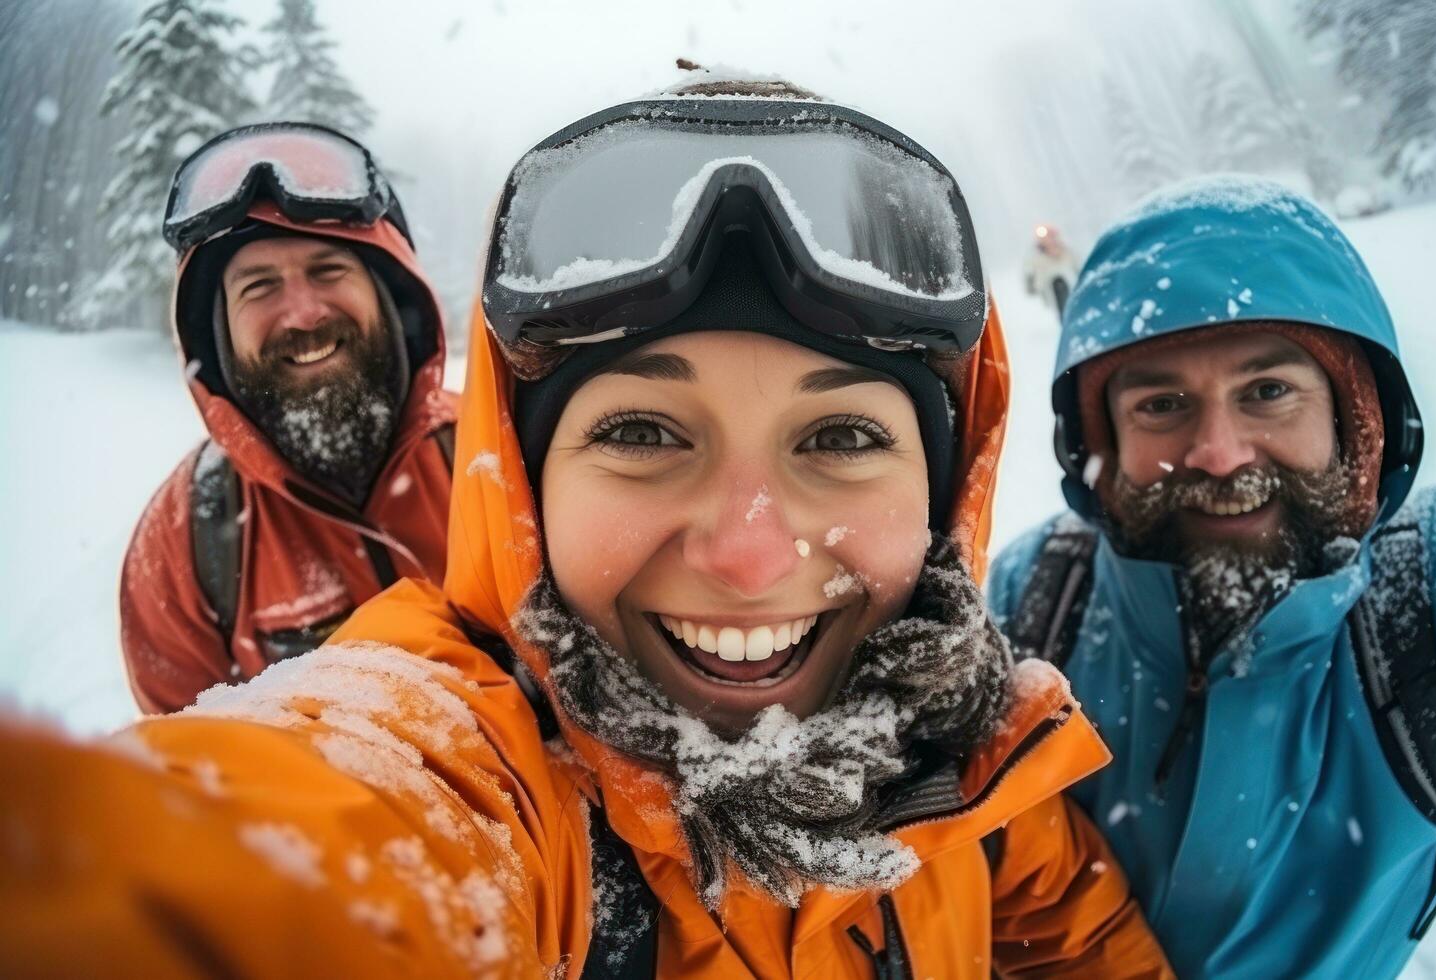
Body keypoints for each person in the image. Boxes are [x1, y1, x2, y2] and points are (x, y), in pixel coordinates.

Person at [0, 84, 1174, 977]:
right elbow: (335, 810)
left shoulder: (972, 761)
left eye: (843, 439)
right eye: (646, 432)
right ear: (525, 494)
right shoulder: (476, 741)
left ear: (947, 482)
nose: (750, 552)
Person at [987, 175, 1436, 978]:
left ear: (1357, 419)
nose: (1219, 452)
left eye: (1268, 392)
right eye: (1161, 405)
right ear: (1097, 447)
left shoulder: (1427, 603)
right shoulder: (1035, 601)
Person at [120, 123, 459, 713]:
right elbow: (192, 785)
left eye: (329, 271)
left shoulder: (497, 454)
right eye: (259, 286)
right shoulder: (181, 546)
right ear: (218, 334)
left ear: (389, 294)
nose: (303, 314)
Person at [1022, 223, 1079, 319]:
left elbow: (1078, 269)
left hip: (1072, 295)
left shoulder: (1067, 254)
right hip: (1048, 299)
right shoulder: (1036, 259)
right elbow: (1030, 280)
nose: (1049, 241)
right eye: (1046, 238)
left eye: (1052, 237)